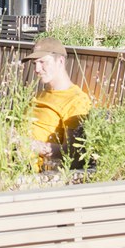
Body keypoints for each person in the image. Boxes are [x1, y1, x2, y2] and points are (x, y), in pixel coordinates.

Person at [21, 36, 92, 168]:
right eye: (34, 63)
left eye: (42, 62)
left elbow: (72, 153)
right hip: (12, 159)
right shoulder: (39, 94)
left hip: (36, 173)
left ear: (60, 61)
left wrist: (29, 144)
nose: (36, 69)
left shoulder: (76, 100)